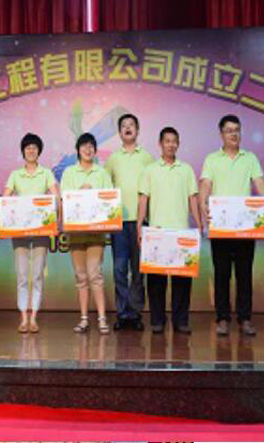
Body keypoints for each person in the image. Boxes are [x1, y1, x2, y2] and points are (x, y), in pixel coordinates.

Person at [199, 114, 264, 337]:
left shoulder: (250, 158)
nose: (234, 134)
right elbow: (205, 185)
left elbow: (260, 183)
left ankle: (245, 318)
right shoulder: (212, 159)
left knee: (244, 274)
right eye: (229, 130)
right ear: (221, 134)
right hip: (220, 227)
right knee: (221, 274)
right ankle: (222, 318)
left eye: (237, 130)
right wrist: (202, 204)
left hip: (245, 227)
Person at [137, 127, 201, 334]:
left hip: (182, 232)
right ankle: (157, 320)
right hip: (157, 232)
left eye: (174, 141)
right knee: (156, 281)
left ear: (178, 144)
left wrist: (199, 224)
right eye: (167, 141)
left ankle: (180, 320)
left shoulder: (187, 169)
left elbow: (193, 198)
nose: (171, 144)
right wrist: (139, 225)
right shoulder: (150, 170)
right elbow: (143, 198)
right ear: (160, 144)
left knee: (182, 281)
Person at [3, 133, 59, 334]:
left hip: (41, 230)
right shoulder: (15, 175)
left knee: (37, 275)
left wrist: (52, 212)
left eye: (34, 147)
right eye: (28, 147)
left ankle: (33, 317)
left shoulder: (46, 173)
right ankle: (23, 318)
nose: (31, 151)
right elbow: (6, 198)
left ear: (39, 151)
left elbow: (56, 196)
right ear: (23, 151)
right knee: (22, 275)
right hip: (20, 231)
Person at [104, 114, 153, 331]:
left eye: (131, 125)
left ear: (138, 130)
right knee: (119, 269)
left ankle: (135, 314)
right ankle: (122, 313)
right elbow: (104, 188)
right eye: (123, 126)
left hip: (142, 222)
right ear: (119, 133)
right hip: (119, 224)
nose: (127, 128)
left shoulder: (148, 158)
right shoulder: (113, 159)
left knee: (139, 271)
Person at [61, 133, 113, 335]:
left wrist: (94, 194)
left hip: (96, 234)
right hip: (76, 234)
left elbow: (110, 201)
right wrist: (80, 192)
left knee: (95, 275)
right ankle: (84, 319)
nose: (88, 149)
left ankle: (102, 318)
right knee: (81, 277)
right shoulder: (69, 173)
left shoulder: (102, 173)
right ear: (78, 149)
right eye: (84, 145)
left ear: (95, 150)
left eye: (91, 146)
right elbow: (65, 199)